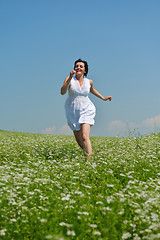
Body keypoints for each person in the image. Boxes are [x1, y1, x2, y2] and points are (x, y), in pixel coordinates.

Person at [61, 59, 112, 162]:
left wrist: (103, 98)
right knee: (80, 142)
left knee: (85, 136)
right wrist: (70, 77)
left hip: (87, 110)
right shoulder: (70, 79)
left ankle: (88, 163)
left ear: (85, 70)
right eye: (76, 66)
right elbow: (62, 92)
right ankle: (91, 153)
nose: (78, 68)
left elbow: (92, 90)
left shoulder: (89, 81)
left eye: (81, 66)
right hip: (73, 111)